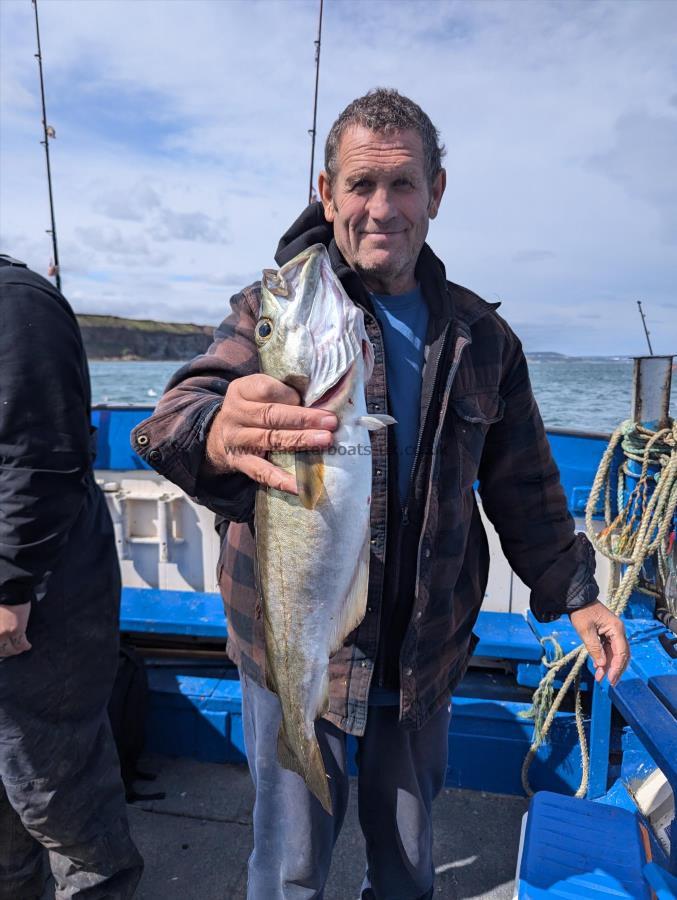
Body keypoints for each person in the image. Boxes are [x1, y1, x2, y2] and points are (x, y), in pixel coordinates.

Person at [131, 89, 630, 900]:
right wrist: (218, 427)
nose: (381, 208)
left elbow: (525, 483)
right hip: (293, 653)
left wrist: (575, 594)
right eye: (360, 185)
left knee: (406, 869)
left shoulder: (482, 338)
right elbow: (173, 418)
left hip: (422, 658)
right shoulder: (274, 313)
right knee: (288, 871)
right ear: (325, 193)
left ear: (436, 192)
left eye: (403, 185)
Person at [0, 256, 143, 899]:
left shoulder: (17, 302)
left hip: (40, 609)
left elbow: (43, 454)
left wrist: (9, 585)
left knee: (61, 804)